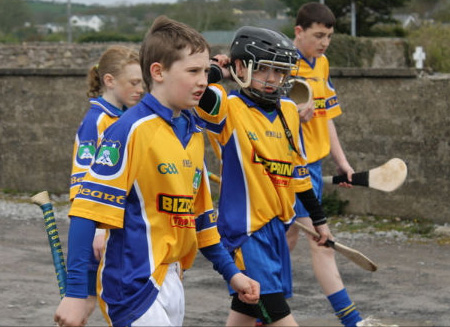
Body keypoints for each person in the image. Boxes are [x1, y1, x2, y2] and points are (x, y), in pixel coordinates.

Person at [54, 16, 260, 327]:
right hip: (131, 283)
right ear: (158, 72)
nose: (204, 80)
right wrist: (75, 292)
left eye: (206, 71)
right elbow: (86, 211)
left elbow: (201, 219)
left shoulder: (193, 132)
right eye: (193, 71)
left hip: (174, 279)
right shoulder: (130, 129)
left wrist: (232, 274)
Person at [195, 26, 332, 326]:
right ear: (241, 66)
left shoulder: (288, 110)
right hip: (246, 233)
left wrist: (319, 221)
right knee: (277, 315)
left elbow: (299, 173)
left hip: (276, 230)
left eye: (279, 71)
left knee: (245, 313)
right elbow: (199, 91)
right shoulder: (228, 108)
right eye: (264, 69)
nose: (272, 79)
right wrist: (219, 70)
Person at [286, 2, 385, 327]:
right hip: (289, 168)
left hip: (313, 166)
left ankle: (262, 308)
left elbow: (326, 118)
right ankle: (350, 320)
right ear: (299, 31)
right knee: (308, 241)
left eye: (328, 35)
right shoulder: (282, 64)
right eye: (318, 35)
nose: (324, 41)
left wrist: (342, 163)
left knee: (300, 240)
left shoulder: (322, 63)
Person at [68, 45, 145, 317]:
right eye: (134, 82)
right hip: (96, 232)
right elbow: (84, 181)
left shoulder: (125, 119)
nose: (140, 89)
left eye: (142, 83)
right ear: (110, 81)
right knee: (84, 305)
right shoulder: (97, 121)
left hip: (119, 232)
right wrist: (98, 231)